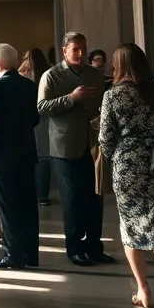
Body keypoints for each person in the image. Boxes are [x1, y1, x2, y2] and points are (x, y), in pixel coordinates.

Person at [98, 44, 154, 308]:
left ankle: (144, 290)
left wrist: (118, 156)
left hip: (128, 162)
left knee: (130, 225)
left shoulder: (113, 95)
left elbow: (105, 138)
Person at [37, 31, 111, 266]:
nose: (80, 54)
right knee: (72, 199)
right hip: (66, 147)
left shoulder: (95, 75)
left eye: (83, 49)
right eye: (75, 49)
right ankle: (74, 248)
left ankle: (94, 247)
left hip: (94, 144)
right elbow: (42, 107)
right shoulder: (52, 76)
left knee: (95, 197)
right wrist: (70, 98)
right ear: (64, 51)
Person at [0, 44, 40, 271]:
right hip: (25, 151)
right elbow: (35, 118)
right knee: (27, 206)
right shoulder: (29, 85)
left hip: (2, 156)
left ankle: (13, 254)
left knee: (8, 207)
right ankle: (31, 253)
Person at [19, 48, 53, 206]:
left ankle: (30, 191)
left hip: (26, 119)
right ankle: (43, 195)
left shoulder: (21, 76)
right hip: (45, 118)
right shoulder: (50, 73)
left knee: (29, 156)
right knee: (44, 157)